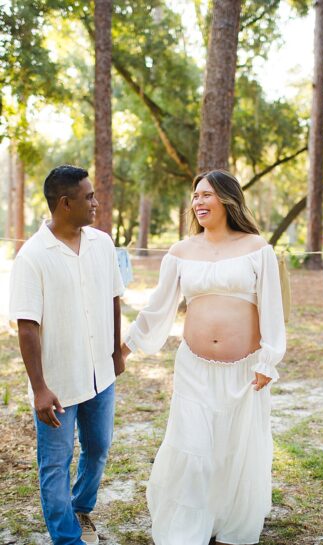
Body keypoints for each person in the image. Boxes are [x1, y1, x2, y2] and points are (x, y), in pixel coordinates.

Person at [122, 169, 286, 545]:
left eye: (206, 195)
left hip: (243, 373)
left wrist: (268, 361)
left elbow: (272, 310)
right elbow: (158, 308)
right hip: (193, 367)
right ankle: (186, 531)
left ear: (227, 199)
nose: (198, 202)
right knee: (195, 450)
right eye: (195, 196)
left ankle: (228, 525)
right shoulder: (181, 251)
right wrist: (127, 347)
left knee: (233, 450)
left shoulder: (257, 248)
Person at [9, 165, 125, 545]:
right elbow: (27, 326)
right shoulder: (33, 257)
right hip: (57, 385)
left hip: (99, 374)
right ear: (65, 203)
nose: (96, 202)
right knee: (55, 464)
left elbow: (113, 298)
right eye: (88, 196)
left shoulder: (102, 243)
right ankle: (66, 538)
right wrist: (39, 388)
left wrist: (115, 351)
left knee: (99, 448)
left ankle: (81, 507)